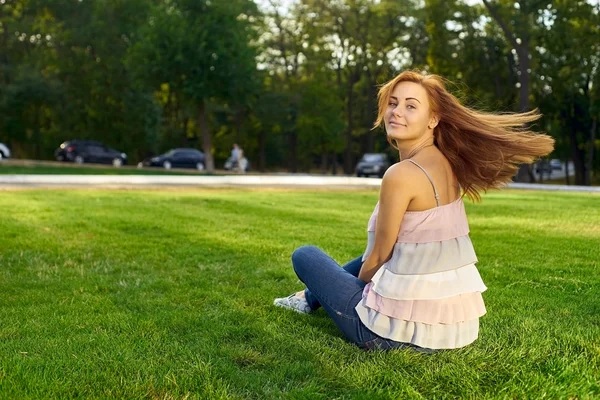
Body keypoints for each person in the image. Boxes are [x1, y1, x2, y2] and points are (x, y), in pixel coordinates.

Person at [273, 70, 554, 352]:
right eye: (393, 103)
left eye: (411, 106)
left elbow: (380, 255)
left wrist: (356, 293)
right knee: (368, 256)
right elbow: (393, 249)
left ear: (433, 118)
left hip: (389, 336)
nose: (396, 112)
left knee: (306, 255)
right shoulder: (447, 163)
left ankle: (310, 298)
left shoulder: (401, 174)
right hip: (455, 332)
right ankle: (307, 299)